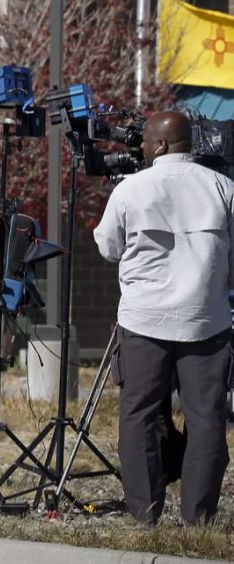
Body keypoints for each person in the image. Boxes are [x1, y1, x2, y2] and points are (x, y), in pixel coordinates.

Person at [94, 110, 233, 526]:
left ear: (160, 145)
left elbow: (107, 247)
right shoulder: (224, 188)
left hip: (143, 323)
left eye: (144, 142)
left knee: (138, 416)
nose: (138, 149)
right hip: (206, 322)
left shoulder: (131, 189)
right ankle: (198, 522)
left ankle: (145, 517)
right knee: (207, 421)